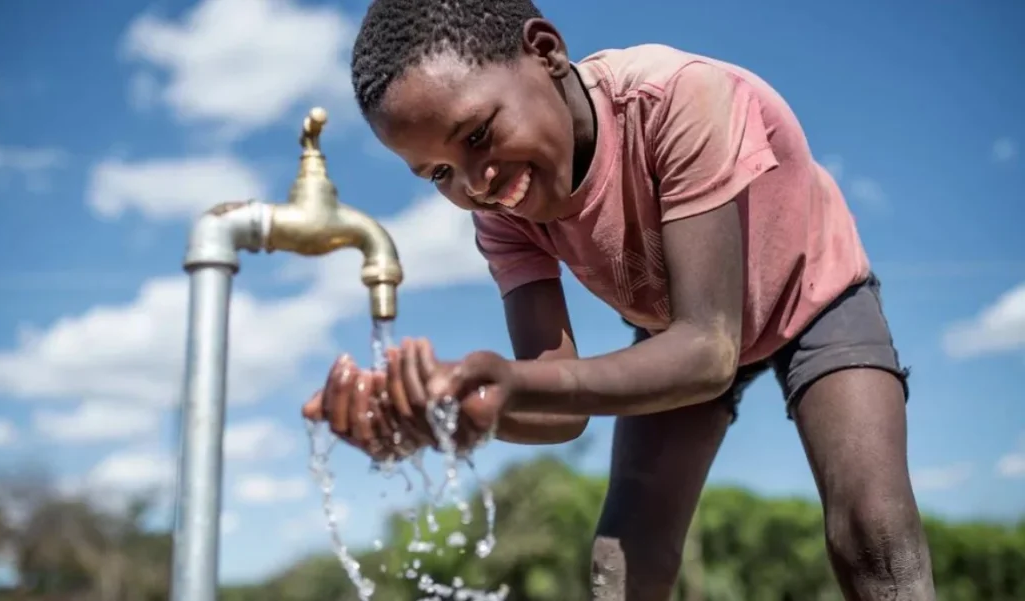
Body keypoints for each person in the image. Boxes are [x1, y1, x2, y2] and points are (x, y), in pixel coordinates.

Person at [300, 0, 937, 598]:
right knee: (621, 562)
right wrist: (453, 415)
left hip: (811, 293)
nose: (475, 185)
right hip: (674, 333)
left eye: (478, 136)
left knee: (872, 531)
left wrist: (510, 385)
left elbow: (709, 352)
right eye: (439, 173)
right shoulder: (502, 215)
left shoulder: (677, 99)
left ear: (545, 52)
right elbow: (559, 407)